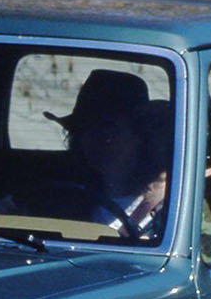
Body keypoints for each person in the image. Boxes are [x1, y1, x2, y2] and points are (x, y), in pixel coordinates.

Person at [44, 69, 170, 240]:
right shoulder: (63, 195)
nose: (96, 140)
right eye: (86, 129)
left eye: (109, 130)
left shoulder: (170, 206)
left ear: (139, 136)